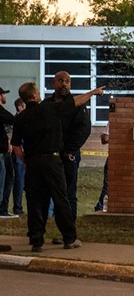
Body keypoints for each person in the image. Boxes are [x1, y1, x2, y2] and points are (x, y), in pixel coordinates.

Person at [11, 82, 104, 252]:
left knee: (35, 202)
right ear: (34, 96)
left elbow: (16, 146)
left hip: (33, 163)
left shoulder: (21, 118)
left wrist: (26, 160)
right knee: (61, 199)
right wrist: (92, 93)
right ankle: (69, 238)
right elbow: (76, 101)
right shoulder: (50, 109)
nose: (40, 94)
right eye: (38, 92)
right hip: (52, 161)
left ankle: (37, 241)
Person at [43, 71, 92, 224]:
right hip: (49, 156)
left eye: (67, 81)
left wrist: (70, 150)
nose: (64, 83)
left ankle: (69, 231)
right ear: (54, 83)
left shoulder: (77, 104)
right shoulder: (46, 105)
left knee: (68, 192)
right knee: (47, 192)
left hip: (68, 155)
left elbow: (83, 129)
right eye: (60, 80)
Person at [0, 86, 16, 218]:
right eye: (3, 94)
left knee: (9, 177)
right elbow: (12, 119)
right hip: (1, 152)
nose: (5, 97)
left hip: (5, 151)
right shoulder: (1, 111)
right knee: (2, 179)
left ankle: (3, 207)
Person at [11, 98, 26, 215]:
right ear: (20, 107)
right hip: (19, 153)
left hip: (24, 152)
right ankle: (18, 207)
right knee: (19, 181)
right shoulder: (17, 120)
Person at [94, 122, 109, 212]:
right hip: (113, 158)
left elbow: (105, 138)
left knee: (108, 185)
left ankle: (100, 206)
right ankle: (100, 206)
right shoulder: (113, 122)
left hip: (114, 158)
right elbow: (105, 139)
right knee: (108, 185)